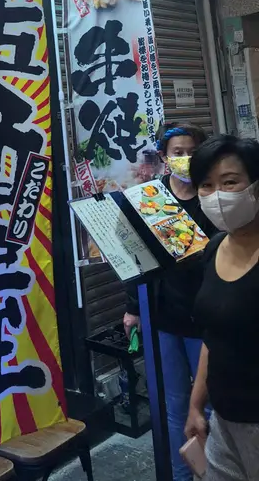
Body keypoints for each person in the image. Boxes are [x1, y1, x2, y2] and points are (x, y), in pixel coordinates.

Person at [123, 123, 216, 481]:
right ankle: (182, 475)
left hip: (204, 318)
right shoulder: (152, 196)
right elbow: (135, 256)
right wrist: (133, 307)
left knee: (208, 402)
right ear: (164, 156)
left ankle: (216, 471)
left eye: (192, 151)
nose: (185, 158)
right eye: (178, 152)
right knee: (174, 403)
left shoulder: (212, 196)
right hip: (162, 316)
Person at [186, 135, 259, 480]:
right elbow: (213, 336)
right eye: (206, 184)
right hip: (222, 420)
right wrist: (195, 405)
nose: (217, 195)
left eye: (229, 182)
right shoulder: (214, 248)